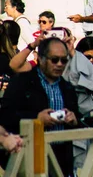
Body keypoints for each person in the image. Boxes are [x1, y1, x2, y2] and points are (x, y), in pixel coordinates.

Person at [1, 38, 80, 177]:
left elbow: (78, 117)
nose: (60, 64)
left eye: (64, 60)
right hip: (29, 155)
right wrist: (36, 119)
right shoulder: (21, 82)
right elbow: (6, 116)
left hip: (62, 156)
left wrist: (74, 119)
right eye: (55, 60)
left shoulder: (67, 87)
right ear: (41, 59)